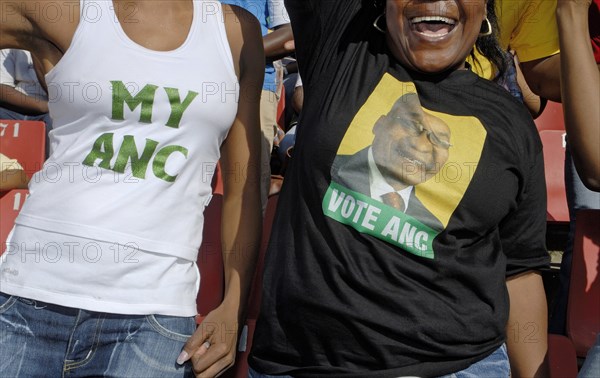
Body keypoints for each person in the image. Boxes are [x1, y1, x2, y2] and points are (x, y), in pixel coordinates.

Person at [248, 0, 549, 376]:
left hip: (457, 368)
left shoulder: (513, 126)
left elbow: (520, 272)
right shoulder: (341, 48)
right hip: (303, 366)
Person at [0, 1, 263, 377]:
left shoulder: (235, 31)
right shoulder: (65, 9)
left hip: (154, 317)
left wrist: (233, 306)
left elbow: (243, 186)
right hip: (27, 298)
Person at [332, 92, 450, 232]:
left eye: (439, 141)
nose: (421, 145)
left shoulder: (430, 227)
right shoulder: (326, 170)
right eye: (411, 125)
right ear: (379, 124)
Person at [220, 0, 294, 209]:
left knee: (247, 187)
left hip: (255, 86)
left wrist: (227, 55)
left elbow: (289, 36)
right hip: (197, 80)